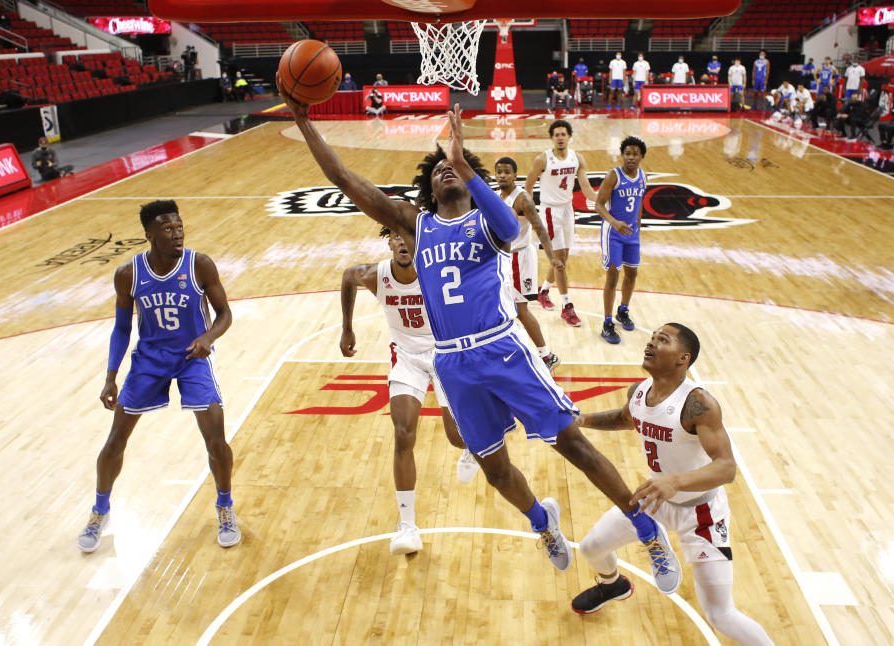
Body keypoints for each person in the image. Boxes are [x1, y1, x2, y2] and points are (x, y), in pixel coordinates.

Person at [280, 86, 682, 592]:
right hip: (451, 363)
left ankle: (648, 533)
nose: (444, 170)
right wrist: (303, 119)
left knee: (572, 444)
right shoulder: (416, 223)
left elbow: (511, 226)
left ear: (471, 179)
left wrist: (463, 162)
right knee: (493, 469)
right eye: (437, 169)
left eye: (454, 166)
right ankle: (543, 522)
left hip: (502, 348)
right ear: (427, 188)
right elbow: (342, 177)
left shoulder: (485, 221)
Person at [571, 324, 774, 646]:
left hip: (702, 513)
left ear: (683, 358)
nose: (651, 343)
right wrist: (584, 420)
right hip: (656, 499)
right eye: (652, 338)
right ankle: (613, 585)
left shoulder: (699, 404)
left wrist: (676, 482)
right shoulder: (639, 391)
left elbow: (726, 468)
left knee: (720, 614)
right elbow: (626, 419)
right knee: (591, 548)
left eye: (662, 340)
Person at [76, 200, 239, 553]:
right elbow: (121, 330)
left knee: (215, 436)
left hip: (191, 357)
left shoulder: (199, 265)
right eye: (168, 229)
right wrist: (110, 376)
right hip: (149, 360)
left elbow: (225, 313)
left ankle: (225, 506)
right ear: (150, 235)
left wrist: (208, 338)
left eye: (179, 226)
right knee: (116, 439)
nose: (177, 233)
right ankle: (99, 510)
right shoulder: (128, 274)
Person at [341, 227, 479, 554]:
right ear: (389, 242)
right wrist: (348, 327)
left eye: (409, 237)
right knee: (403, 434)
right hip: (406, 357)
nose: (403, 243)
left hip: (444, 355)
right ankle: (407, 526)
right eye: (396, 237)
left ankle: (471, 444)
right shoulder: (377, 275)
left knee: (456, 436)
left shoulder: (436, 272)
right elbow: (348, 276)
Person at [526, 119, 599, 327]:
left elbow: (586, 189)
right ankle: (567, 307)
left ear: (569, 136)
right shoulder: (543, 159)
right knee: (558, 258)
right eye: (556, 134)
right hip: (549, 210)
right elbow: (528, 186)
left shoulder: (578, 158)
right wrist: (530, 213)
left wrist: (602, 199)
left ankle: (544, 291)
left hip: (568, 209)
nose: (560, 137)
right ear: (551, 138)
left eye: (563, 134)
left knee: (562, 258)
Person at [494, 156, 563, 371]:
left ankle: (546, 355)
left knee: (520, 309)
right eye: (499, 171)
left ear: (515, 175)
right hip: (504, 257)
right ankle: (508, 350)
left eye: (507, 171)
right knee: (502, 307)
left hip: (520, 258)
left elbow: (540, 228)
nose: (503, 175)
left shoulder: (522, 199)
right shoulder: (496, 196)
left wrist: (552, 257)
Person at [597, 136, 646, 345]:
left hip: (632, 233)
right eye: (627, 153)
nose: (631, 157)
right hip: (613, 233)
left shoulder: (643, 176)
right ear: (622, 155)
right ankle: (607, 323)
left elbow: (639, 202)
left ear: (641, 156)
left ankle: (623, 310)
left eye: (635, 154)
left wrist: (639, 224)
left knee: (632, 272)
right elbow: (598, 205)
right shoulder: (613, 176)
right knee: (613, 276)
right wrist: (614, 222)